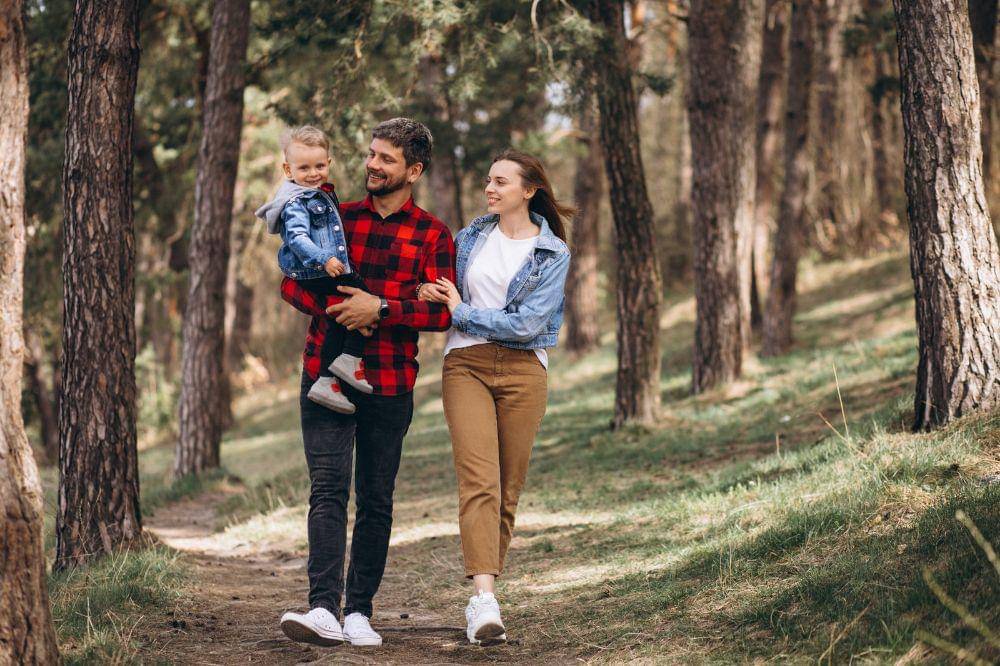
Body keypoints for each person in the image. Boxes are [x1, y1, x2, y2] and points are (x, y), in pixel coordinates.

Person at [278, 118, 456, 647]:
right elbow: (290, 283)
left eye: (386, 159)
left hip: (390, 381)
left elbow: (442, 314)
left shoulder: (433, 234)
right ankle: (322, 609)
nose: (372, 165)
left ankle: (359, 611)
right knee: (327, 491)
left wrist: (380, 307)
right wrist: (342, 310)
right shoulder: (335, 215)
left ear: (414, 171)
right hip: (323, 374)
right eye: (372, 154)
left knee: (376, 500)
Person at [419, 149, 572, 645]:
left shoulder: (553, 252)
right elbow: (444, 290)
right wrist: (429, 294)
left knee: (507, 489)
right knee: (479, 481)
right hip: (466, 364)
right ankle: (484, 600)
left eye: (501, 181)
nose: (490, 188)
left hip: (525, 371)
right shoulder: (470, 237)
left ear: (528, 190)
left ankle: (486, 591)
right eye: (489, 180)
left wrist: (462, 312)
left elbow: (527, 325)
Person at [255, 125, 374, 415]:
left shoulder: (317, 193)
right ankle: (350, 358)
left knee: (339, 315)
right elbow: (298, 238)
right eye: (304, 168)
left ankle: (326, 381)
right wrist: (324, 259)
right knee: (361, 295)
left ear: (328, 163)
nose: (313, 174)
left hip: (321, 267)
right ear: (288, 169)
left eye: (319, 166)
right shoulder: (297, 201)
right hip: (316, 269)